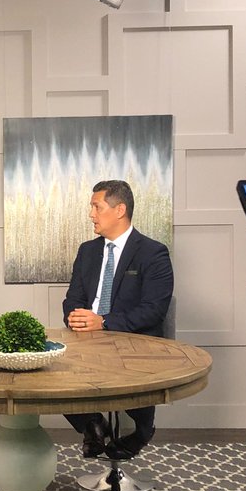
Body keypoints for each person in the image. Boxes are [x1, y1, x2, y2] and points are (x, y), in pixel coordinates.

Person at [62, 179, 174, 459]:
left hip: (132, 342)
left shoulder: (153, 252)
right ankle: (92, 423)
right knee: (50, 371)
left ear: (120, 210)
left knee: (134, 372)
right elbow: (72, 298)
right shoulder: (87, 251)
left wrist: (103, 322)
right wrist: (76, 318)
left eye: (96, 207)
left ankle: (141, 431)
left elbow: (154, 310)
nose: (91, 214)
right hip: (86, 340)